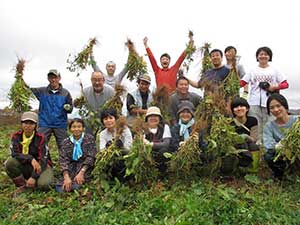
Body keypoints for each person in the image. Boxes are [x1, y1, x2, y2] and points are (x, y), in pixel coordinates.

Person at [240, 47, 289, 144]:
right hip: (254, 101)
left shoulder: (275, 70)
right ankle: (258, 146)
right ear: (257, 57)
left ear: (269, 56)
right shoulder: (252, 70)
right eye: (260, 54)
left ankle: (271, 145)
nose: (263, 56)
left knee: (270, 123)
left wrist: (274, 87)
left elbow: (285, 84)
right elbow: (242, 82)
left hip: (270, 102)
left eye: (266, 54)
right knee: (256, 125)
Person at [5, 111, 53, 191]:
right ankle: (23, 185)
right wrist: (30, 158)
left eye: (31, 123)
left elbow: (43, 160)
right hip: (26, 165)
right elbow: (15, 153)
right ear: (21, 124)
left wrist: (33, 177)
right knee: (10, 162)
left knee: (44, 186)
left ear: (35, 125)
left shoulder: (41, 138)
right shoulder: (16, 136)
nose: (28, 126)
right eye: (25, 123)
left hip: (42, 167)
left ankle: (33, 182)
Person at [27, 69, 73, 151]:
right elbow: (27, 90)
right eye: (51, 77)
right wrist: (20, 77)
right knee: (39, 146)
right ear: (48, 79)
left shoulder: (65, 93)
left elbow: (70, 108)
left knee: (65, 147)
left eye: (55, 77)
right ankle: (44, 162)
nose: (53, 80)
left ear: (59, 78)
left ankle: (64, 163)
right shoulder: (41, 91)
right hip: (45, 123)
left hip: (60, 124)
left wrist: (68, 108)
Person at [57, 118, 97, 192]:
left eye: (79, 126)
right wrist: (66, 176)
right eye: (74, 127)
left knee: (76, 185)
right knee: (60, 188)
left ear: (83, 128)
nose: (76, 129)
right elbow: (63, 159)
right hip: (71, 167)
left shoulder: (89, 139)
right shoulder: (66, 142)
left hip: (85, 167)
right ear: (70, 129)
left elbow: (91, 156)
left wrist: (81, 172)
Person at [263, 93, 298, 179]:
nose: (276, 109)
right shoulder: (269, 126)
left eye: (278, 106)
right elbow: (268, 144)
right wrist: (280, 146)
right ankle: (279, 174)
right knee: (269, 155)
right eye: (272, 108)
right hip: (281, 154)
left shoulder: (297, 121)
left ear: (285, 106)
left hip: (296, 151)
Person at [75, 71, 115, 135]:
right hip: (90, 121)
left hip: (106, 121)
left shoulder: (111, 91)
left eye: (99, 80)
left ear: (103, 80)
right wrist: (76, 103)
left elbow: (116, 107)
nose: (97, 82)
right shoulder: (85, 92)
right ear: (91, 80)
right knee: (88, 137)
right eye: (94, 80)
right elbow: (79, 106)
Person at [99, 108, 133, 180]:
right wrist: (109, 147)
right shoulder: (102, 134)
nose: (108, 121)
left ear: (116, 119)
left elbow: (129, 148)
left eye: (111, 118)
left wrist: (121, 148)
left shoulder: (124, 130)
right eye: (105, 119)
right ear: (102, 121)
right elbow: (102, 150)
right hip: (110, 158)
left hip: (125, 157)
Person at [230, 97, 260, 170]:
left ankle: (252, 168)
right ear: (233, 111)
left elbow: (254, 139)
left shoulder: (253, 120)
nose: (239, 108)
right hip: (234, 145)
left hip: (249, 144)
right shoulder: (229, 122)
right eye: (236, 107)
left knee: (254, 146)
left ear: (247, 109)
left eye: (242, 106)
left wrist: (245, 137)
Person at [143, 106, 172, 174]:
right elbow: (142, 144)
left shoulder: (165, 127)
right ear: (147, 119)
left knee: (164, 152)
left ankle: (162, 174)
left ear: (159, 118)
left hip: (160, 153)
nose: (153, 118)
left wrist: (151, 144)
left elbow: (166, 144)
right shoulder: (143, 128)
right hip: (148, 154)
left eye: (156, 116)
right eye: (150, 116)